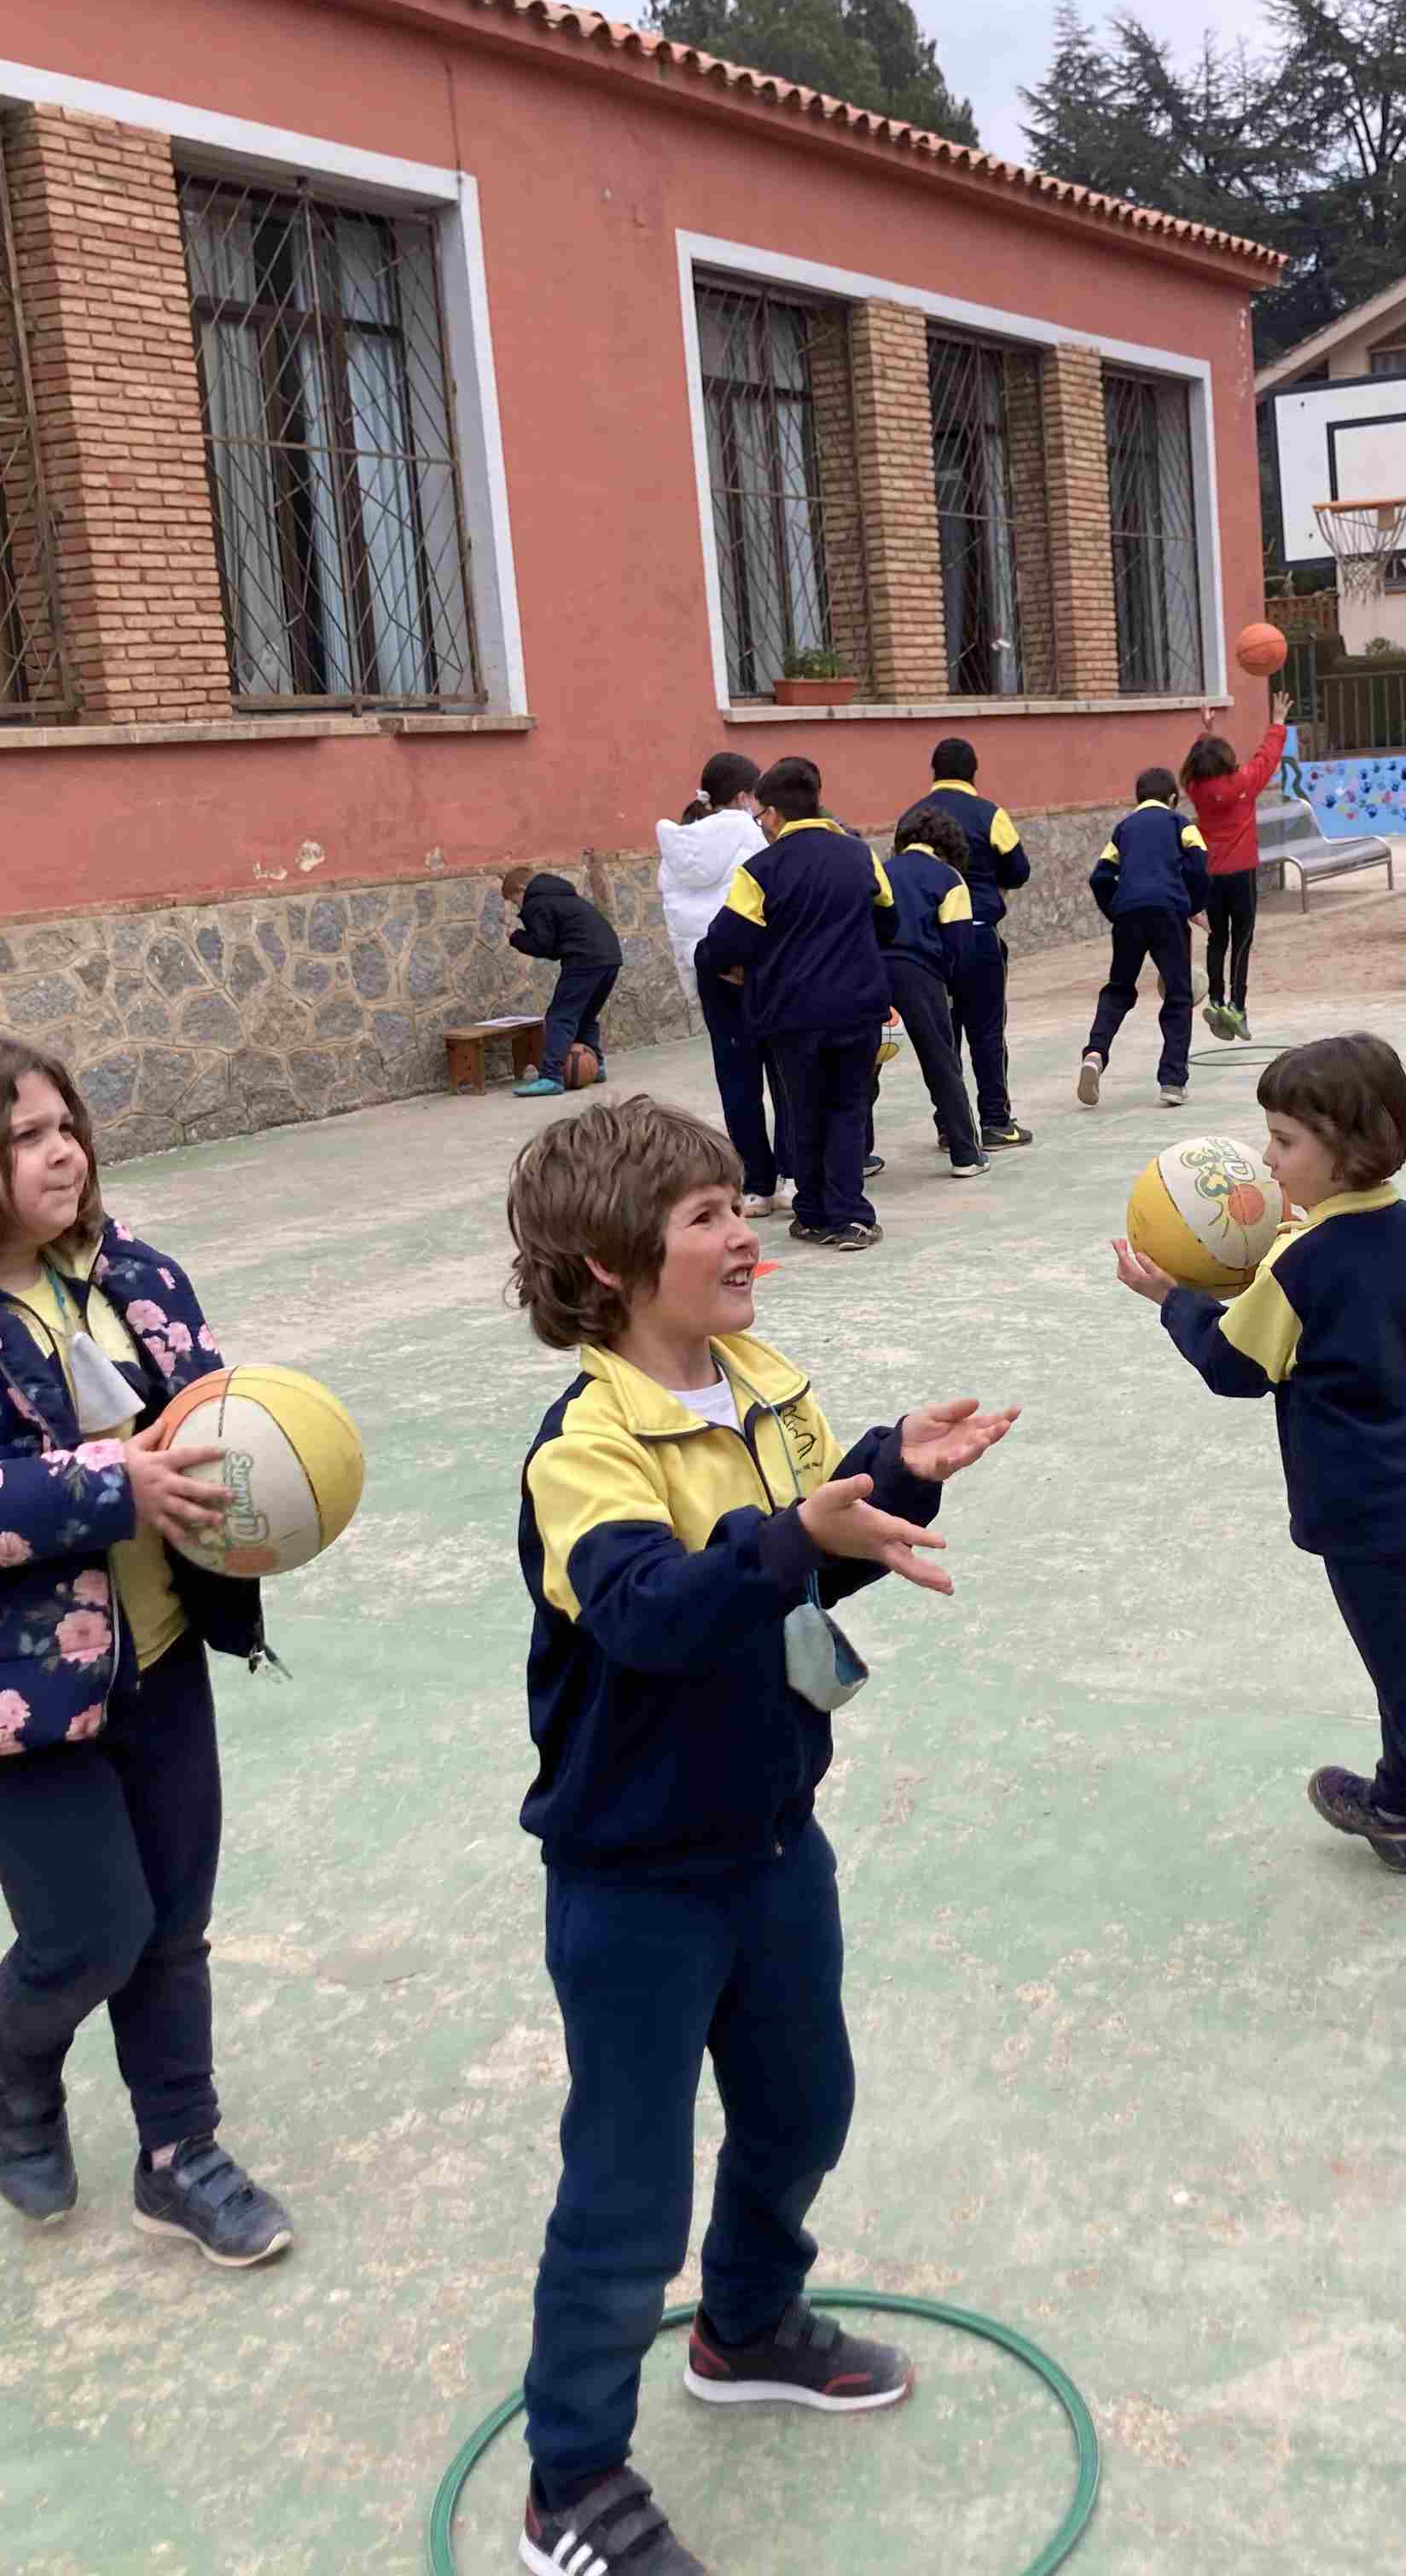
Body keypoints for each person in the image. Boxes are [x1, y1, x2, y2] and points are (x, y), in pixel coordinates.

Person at [501, 1094, 1017, 2576]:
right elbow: (659, 1612)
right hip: (635, 1881)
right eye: (707, 1215)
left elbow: (780, 1597)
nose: (745, 1233)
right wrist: (801, 1533)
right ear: (610, 1264)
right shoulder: (584, 1446)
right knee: (625, 2185)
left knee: (804, 2106)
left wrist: (886, 1475)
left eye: (740, 1201)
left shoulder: (759, 1383)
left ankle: (743, 2323)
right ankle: (573, 2481)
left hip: (775, 1841)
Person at [0, 1032, 293, 2265]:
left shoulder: (132, 1274)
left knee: (174, 1923)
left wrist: (274, 1485)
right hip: (7, 1689)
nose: (61, 1150)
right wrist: (103, 1486)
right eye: (23, 1136)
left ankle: (181, 2156)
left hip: (163, 1648)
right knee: (92, 1932)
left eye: (65, 1125)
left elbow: (207, 1416)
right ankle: (9, 2065)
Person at [1111, 1034, 1406, 1993]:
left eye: (1282, 1141)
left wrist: (1171, 1298)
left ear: (1348, 1146)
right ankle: (1395, 1808)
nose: (1266, 1161)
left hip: (1361, 1514)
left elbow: (1232, 1367)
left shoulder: (1300, 1266)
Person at [697, 757, 896, 1252]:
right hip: (856, 1008)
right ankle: (850, 1216)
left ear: (771, 814)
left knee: (802, 1108)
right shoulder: (859, 855)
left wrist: (749, 966)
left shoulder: (759, 871)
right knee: (849, 1107)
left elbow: (718, 946)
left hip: (792, 1015)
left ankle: (811, 1213)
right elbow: (888, 921)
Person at [656, 754, 784, 1214]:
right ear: (744, 797)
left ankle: (755, 1185)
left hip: (712, 971)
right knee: (783, 1073)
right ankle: (789, 1174)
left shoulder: (677, 847)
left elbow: (677, 917)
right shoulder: (751, 834)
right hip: (759, 970)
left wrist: (699, 967)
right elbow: (769, 899)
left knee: (736, 1080)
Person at [892, 740, 1032, 1149]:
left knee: (942, 1035)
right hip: (978, 933)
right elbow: (1019, 870)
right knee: (987, 1031)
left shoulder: (910, 818)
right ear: (975, 771)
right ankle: (995, 1122)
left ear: (933, 771)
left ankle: (949, 1126)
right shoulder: (991, 814)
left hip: (928, 946)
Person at [1078, 768, 1212, 1111]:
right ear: (1172, 798)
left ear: (1138, 799)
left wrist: (1117, 911)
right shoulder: (1181, 824)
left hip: (1128, 916)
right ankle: (1172, 1080)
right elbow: (1199, 864)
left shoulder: (1123, 829)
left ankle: (1095, 1053)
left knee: (1119, 989)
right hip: (1168, 913)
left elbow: (1100, 877)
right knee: (1178, 994)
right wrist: (1192, 905)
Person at [880, 811, 991, 1179]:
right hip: (920, 974)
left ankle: (859, 1156)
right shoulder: (948, 878)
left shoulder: (882, 870)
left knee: (865, 1063)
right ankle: (965, 1153)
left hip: (871, 972)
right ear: (949, 846)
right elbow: (960, 944)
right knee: (941, 1061)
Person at [1182, 696, 1291, 1042]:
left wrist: (1206, 730)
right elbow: (1267, 758)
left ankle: (1215, 1000)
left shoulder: (1195, 789)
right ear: (1227, 761)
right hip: (1241, 874)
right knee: (1242, 940)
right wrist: (1276, 721)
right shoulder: (1243, 784)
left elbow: (1201, 757)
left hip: (1210, 875)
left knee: (1217, 938)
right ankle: (1237, 1007)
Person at [503, 866, 625, 1100]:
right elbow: (555, 945)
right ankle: (594, 1065)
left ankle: (550, 1077)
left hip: (584, 958)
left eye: (515, 900)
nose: (518, 906)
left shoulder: (536, 903)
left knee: (560, 1016)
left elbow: (543, 946)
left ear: (522, 889)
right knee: (586, 1014)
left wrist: (516, 937)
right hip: (610, 956)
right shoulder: (563, 895)